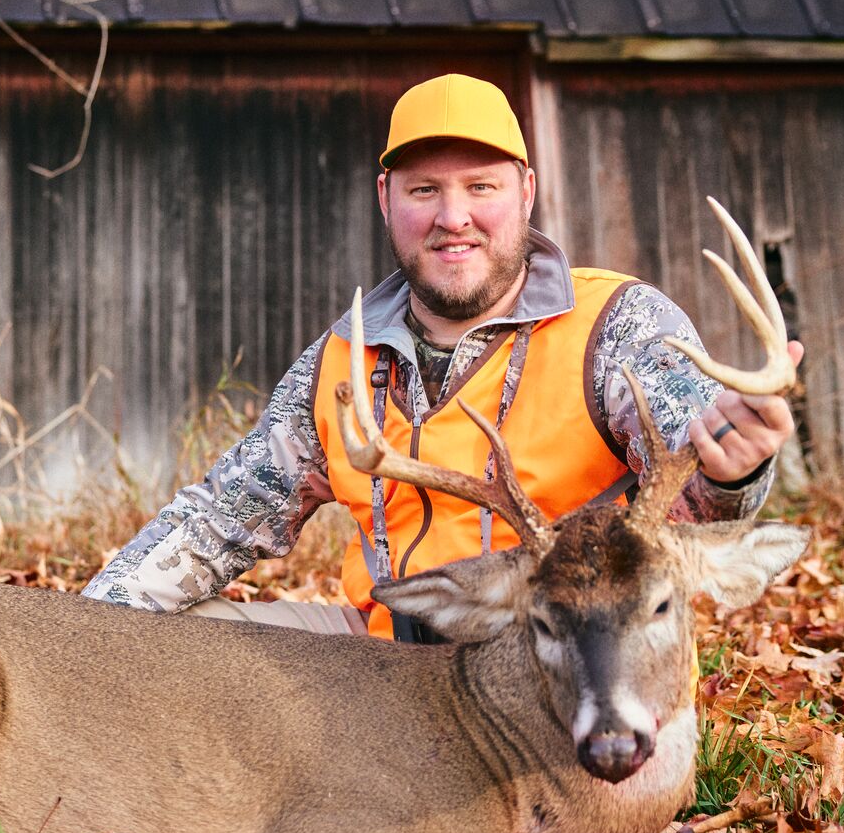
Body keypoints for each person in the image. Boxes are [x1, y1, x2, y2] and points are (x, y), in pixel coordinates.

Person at [82, 74, 802, 640]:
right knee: (170, 649)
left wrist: (732, 464)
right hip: (383, 664)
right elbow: (217, 520)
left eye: (480, 187)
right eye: (424, 189)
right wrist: (80, 631)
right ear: (386, 199)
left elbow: (697, 484)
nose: (452, 216)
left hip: (563, 655)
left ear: (525, 192)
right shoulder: (342, 360)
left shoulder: (615, 325)